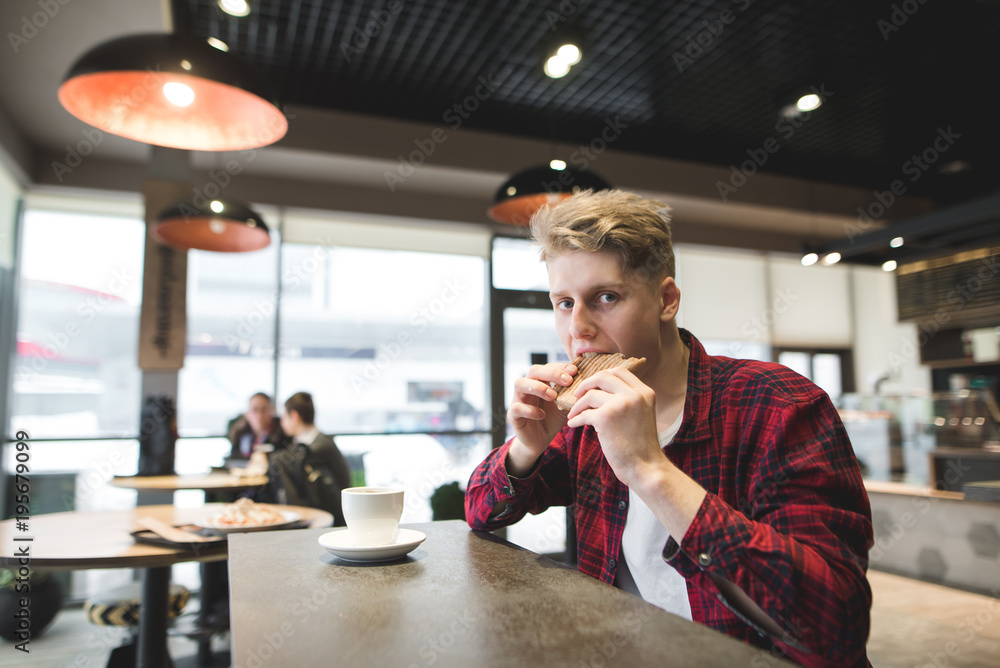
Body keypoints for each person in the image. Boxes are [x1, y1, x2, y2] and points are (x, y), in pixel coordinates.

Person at [465, 190, 874, 667]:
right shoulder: (584, 420)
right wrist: (527, 448)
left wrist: (649, 470)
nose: (578, 328)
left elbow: (834, 621)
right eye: (563, 303)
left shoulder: (778, 404)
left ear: (666, 299)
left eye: (605, 297)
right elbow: (480, 511)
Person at [277, 391, 353, 525]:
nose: (282, 423)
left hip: (331, 521)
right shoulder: (315, 443)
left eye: (284, 417)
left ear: (294, 416)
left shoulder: (317, 449)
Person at [226, 392, 285, 462]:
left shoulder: (283, 434)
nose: (260, 415)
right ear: (247, 413)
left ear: (272, 410)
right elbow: (233, 460)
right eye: (255, 409)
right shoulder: (239, 433)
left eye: (264, 409)